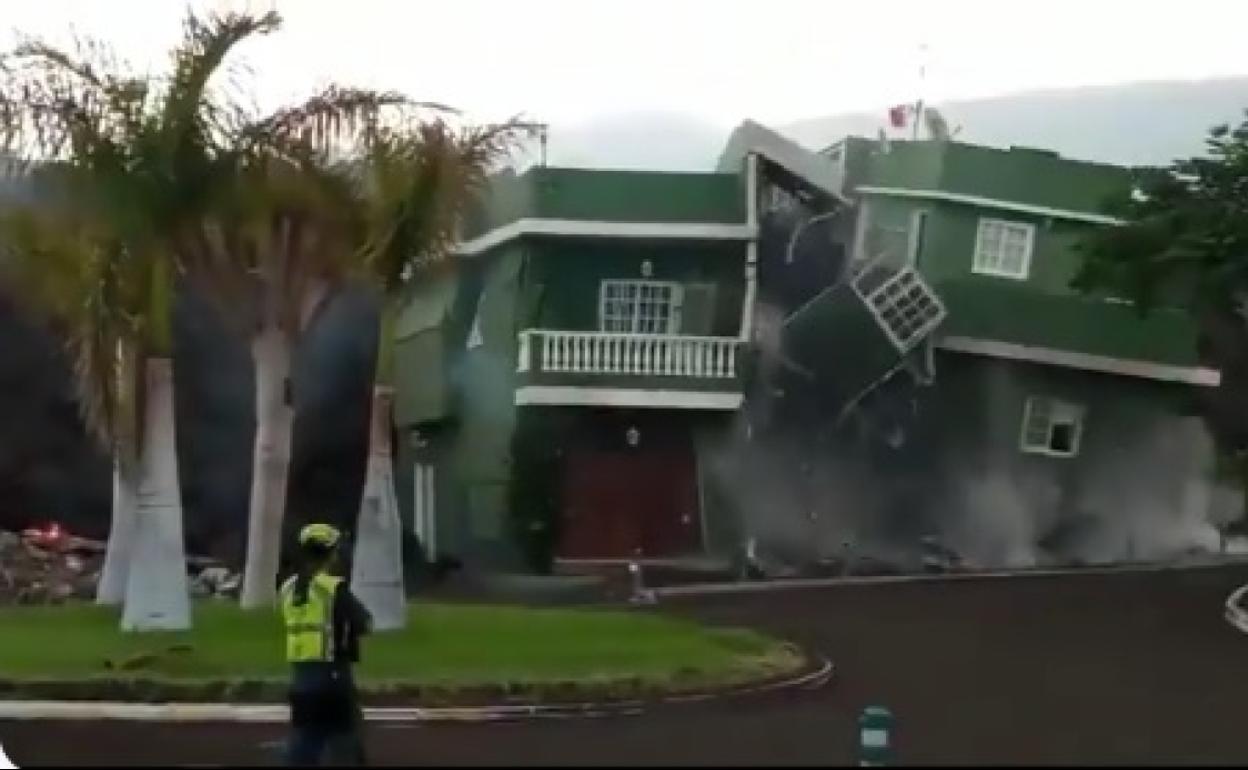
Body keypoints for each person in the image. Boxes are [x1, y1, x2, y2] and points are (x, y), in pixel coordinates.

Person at [280, 522, 373, 766]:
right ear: (331, 553)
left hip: (300, 675)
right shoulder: (332, 588)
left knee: (304, 741)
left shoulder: (287, 589)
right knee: (345, 740)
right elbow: (363, 621)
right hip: (333, 675)